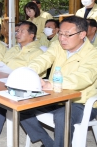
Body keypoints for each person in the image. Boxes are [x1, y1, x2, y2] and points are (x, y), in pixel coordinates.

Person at [20, 15, 97, 147]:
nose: (62, 38)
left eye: (67, 35)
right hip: (55, 98)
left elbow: (84, 77)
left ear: (82, 34)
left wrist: (53, 84)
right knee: (20, 104)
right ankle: (48, 142)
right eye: (60, 34)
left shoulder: (93, 54)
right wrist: (29, 72)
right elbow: (44, 59)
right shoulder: (57, 45)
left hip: (80, 102)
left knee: (63, 117)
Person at [0, 22, 44, 147]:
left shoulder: (37, 53)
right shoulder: (13, 49)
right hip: (5, 79)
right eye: (18, 31)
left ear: (31, 35)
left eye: (22, 31)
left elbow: (31, 73)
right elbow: (2, 64)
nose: (18, 34)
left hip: (23, 86)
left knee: (1, 100)